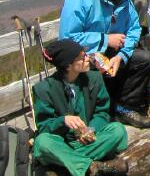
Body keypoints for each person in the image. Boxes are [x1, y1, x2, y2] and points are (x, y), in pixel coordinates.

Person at [59, 0, 150, 129]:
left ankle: (125, 108)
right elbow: (68, 37)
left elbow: (134, 29)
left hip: (112, 54)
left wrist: (121, 56)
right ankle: (97, 113)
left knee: (145, 60)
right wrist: (105, 40)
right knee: (89, 69)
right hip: (84, 55)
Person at [33, 40, 128, 176]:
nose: (87, 58)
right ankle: (91, 167)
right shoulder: (44, 90)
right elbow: (44, 126)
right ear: (68, 65)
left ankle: (69, 164)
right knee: (42, 143)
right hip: (63, 142)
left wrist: (91, 130)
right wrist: (63, 121)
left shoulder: (94, 79)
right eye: (82, 57)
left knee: (118, 130)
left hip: (88, 140)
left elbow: (102, 112)